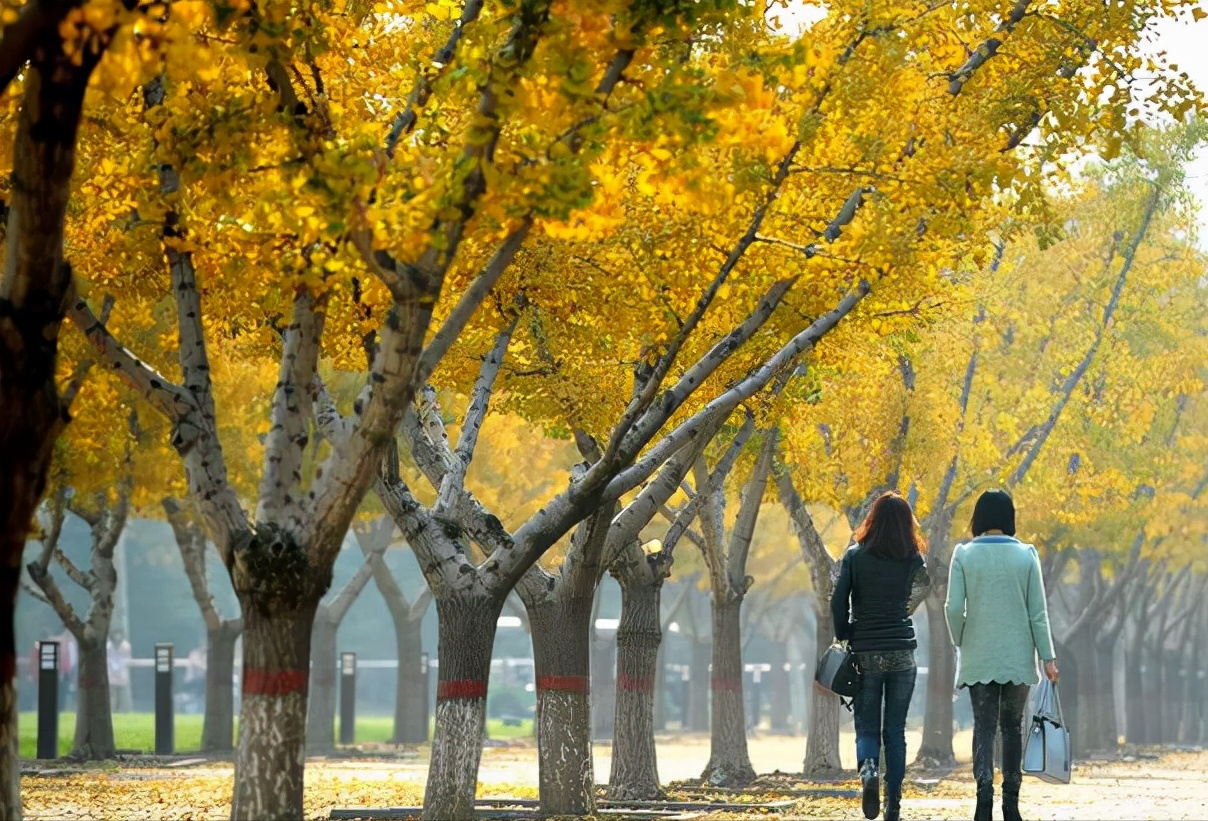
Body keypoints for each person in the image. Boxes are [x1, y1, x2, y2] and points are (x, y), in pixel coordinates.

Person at [945, 489, 1059, 821]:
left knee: (983, 726)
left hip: (978, 655)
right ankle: (1011, 803)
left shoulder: (964, 555)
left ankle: (983, 799)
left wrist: (961, 639)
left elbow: (953, 607)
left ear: (978, 517)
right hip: (1017, 657)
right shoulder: (1027, 556)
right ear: (1010, 517)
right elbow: (1038, 613)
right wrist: (1048, 658)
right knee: (1012, 727)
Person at [831, 491, 931, 821]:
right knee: (895, 732)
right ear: (906, 524)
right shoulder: (913, 559)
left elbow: (838, 601)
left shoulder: (854, 556)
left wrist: (847, 632)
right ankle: (893, 806)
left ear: (872, 519)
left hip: (866, 653)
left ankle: (869, 770)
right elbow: (922, 589)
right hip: (902, 652)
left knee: (867, 729)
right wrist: (900, 612)